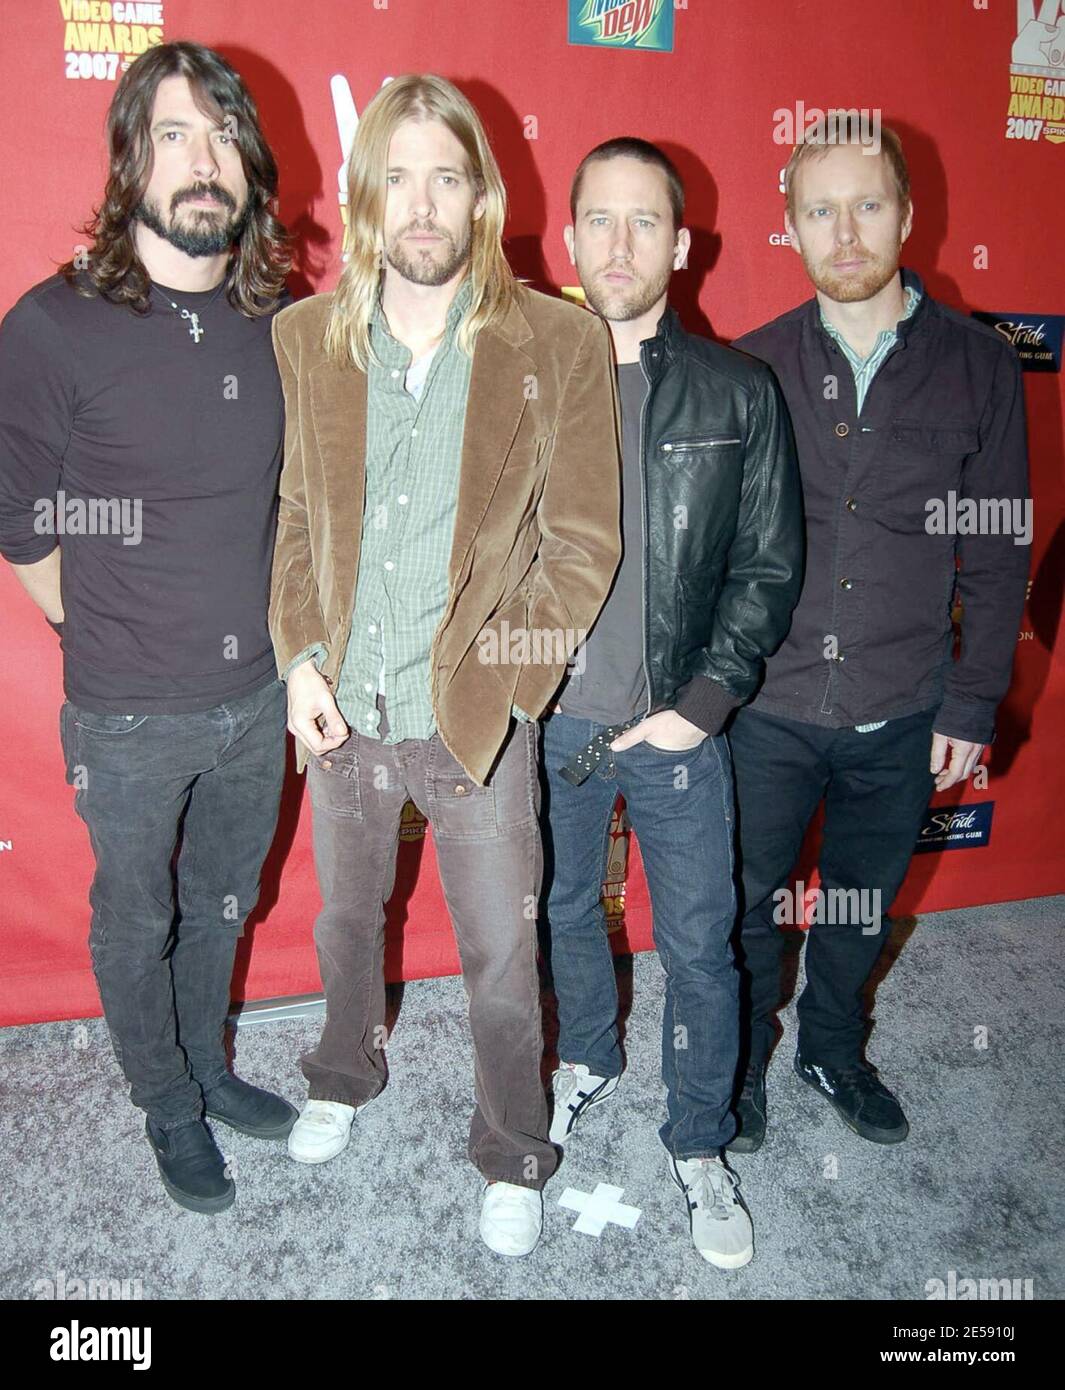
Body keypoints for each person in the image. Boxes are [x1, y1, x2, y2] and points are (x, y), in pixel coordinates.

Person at [269, 75, 622, 1258]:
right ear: (366, 193)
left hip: (475, 717)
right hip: (344, 712)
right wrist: (299, 659)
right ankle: (341, 1069)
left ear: (481, 194)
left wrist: (512, 691)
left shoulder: (559, 341)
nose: (423, 201)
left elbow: (583, 545)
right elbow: (295, 521)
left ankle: (514, 1143)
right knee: (344, 920)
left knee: (502, 953)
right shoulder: (303, 339)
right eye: (398, 175)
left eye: (447, 174)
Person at [0, 42, 298, 1214]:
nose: (203, 159)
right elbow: (22, 527)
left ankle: (209, 1066)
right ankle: (164, 1100)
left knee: (227, 895)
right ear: (130, 161)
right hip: (127, 710)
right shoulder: (54, 325)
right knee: (139, 910)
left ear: (252, 165)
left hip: (258, 696)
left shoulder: (279, 321)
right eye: (173, 134)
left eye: (223, 134)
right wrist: (119, 631)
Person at [727, 121, 1030, 1154]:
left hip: (904, 705)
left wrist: (973, 697)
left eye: (866, 206)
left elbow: (995, 548)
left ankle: (831, 1045)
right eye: (821, 210)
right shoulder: (753, 366)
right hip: (766, 701)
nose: (845, 231)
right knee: (748, 907)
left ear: (905, 215)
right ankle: (739, 1057)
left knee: (859, 905)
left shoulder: (982, 370)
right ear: (791, 229)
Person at [540, 138, 803, 1268]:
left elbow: (768, 564)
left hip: (677, 729)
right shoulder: (527, 378)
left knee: (701, 946)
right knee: (557, 911)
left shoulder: (739, 389)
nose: (619, 243)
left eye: (644, 221)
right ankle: (587, 1059)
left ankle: (699, 1141)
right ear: (569, 237)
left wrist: (703, 700)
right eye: (599, 218)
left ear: (682, 244)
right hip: (545, 724)